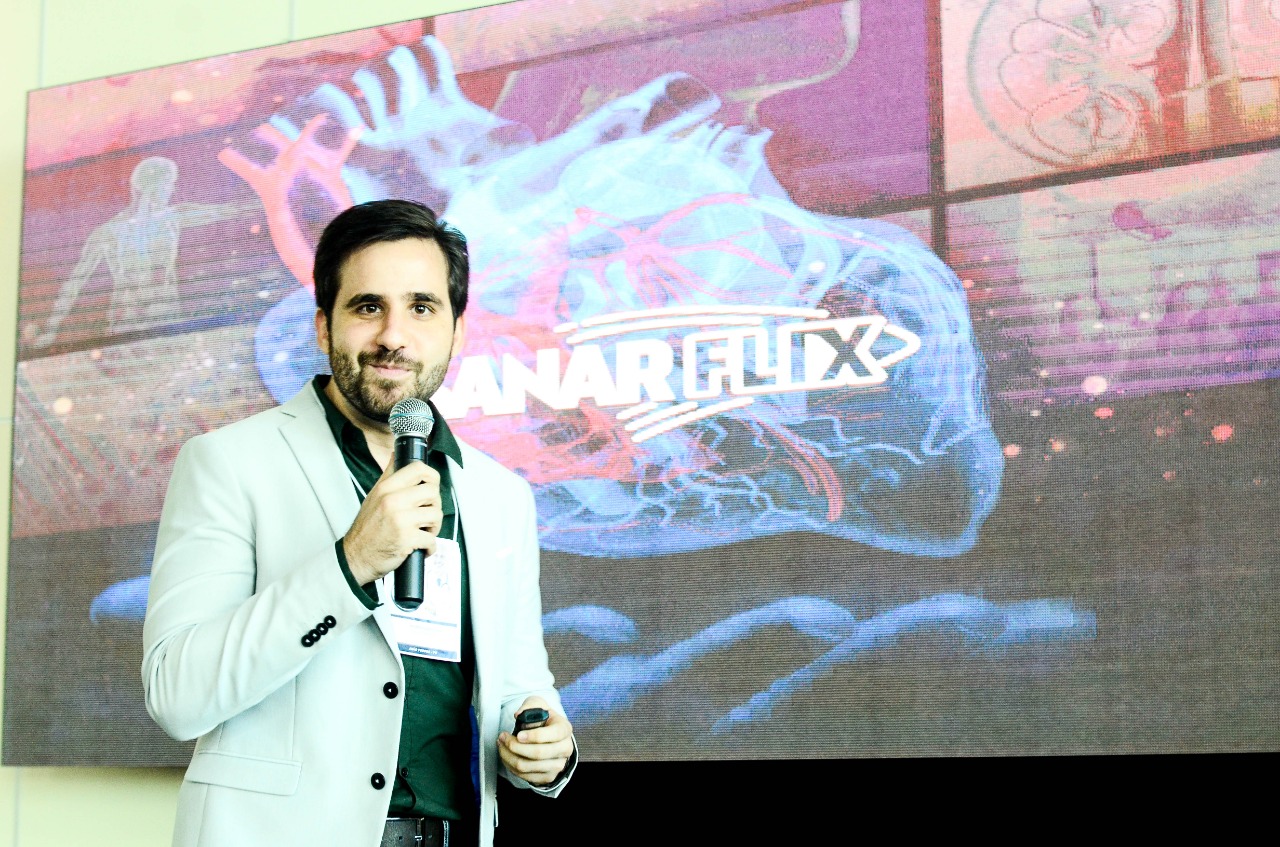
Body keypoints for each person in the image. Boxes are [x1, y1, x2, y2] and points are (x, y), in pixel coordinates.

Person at [142, 199, 577, 847]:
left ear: (457, 331)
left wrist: (544, 746)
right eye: (368, 306)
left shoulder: (500, 495)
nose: (393, 336)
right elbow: (177, 694)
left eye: (422, 307)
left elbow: (521, 687)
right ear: (324, 327)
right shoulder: (228, 462)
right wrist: (350, 565)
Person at [35, 156, 246, 347]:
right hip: (126, 324)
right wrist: (51, 330)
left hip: (167, 321)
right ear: (154, 186)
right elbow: (73, 284)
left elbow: (227, 211)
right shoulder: (109, 232)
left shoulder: (173, 217)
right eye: (169, 184)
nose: (172, 190)